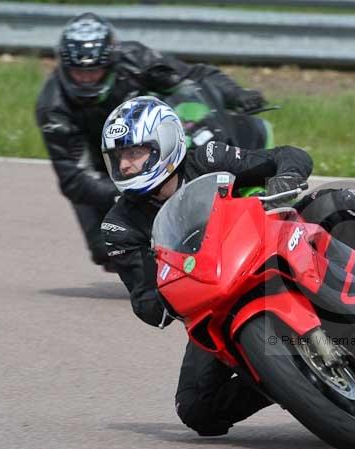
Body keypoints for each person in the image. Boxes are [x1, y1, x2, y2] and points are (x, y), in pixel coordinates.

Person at [101, 96, 355, 436]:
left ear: (164, 142)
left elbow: (290, 156)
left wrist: (284, 180)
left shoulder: (208, 158)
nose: (126, 165)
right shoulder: (120, 226)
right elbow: (145, 298)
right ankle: (296, 383)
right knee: (197, 409)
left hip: (274, 249)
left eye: (134, 152)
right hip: (216, 300)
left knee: (334, 205)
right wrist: (167, 295)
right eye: (118, 158)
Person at [36, 12, 265, 269]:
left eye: (95, 71)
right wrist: (134, 189)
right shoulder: (53, 108)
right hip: (108, 171)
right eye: (80, 72)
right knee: (107, 251)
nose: (87, 78)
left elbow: (194, 76)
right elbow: (74, 179)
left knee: (189, 99)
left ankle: (244, 178)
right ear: (65, 68)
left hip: (153, 144)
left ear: (111, 62)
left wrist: (236, 94)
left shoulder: (135, 59)